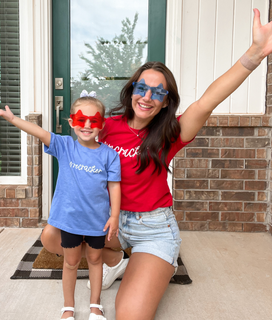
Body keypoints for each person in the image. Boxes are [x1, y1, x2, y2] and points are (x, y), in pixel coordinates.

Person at [41, 8, 272, 320]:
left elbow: (207, 101)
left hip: (153, 227)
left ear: (165, 100)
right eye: (142, 88)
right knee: (52, 237)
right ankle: (113, 261)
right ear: (132, 90)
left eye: (158, 92)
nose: (148, 96)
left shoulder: (170, 132)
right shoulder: (106, 126)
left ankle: (148, 262)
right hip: (111, 222)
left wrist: (254, 55)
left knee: (130, 315)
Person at [0, 92, 121, 320]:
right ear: (71, 122)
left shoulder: (109, 155)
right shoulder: (64, 146)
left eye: (94, 121)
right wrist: (12, 119)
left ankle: (95, 306)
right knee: (71, 262)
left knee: (95, 261)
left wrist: (114, 215)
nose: (87, 125)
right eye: (81, 119)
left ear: (102, 125)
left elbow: (114, 186)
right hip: (69, 221)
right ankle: (68, 307)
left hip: (97, 221)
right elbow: (38, 132)